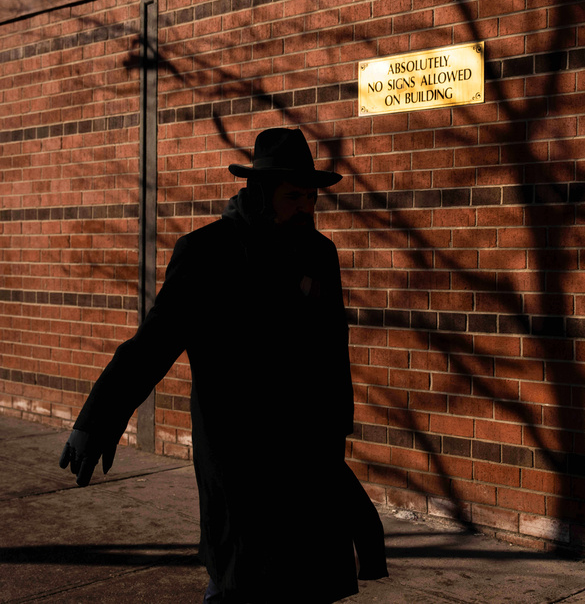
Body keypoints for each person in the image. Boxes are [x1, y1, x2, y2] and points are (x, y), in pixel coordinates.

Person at [58, 127, 387, 603]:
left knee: (309, 583)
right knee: (239, 580)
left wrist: (336, 431)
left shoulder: (320, 253)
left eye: (312, 198)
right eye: (293, 196)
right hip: (240, 458)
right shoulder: (209, 253)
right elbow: (154, 342)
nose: (307, 209)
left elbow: (334, 348)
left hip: (308, 456)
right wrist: (100, 419)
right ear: (260, 194)